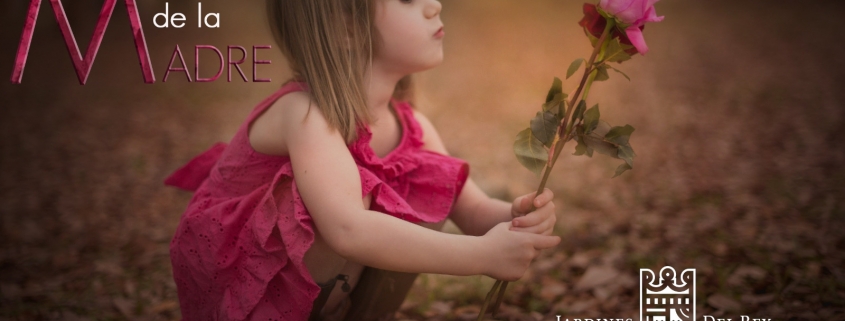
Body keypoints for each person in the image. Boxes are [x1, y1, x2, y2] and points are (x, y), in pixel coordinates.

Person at [163, 0, 561, 320]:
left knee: (428, 182)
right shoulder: (304, 112)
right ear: (346, 28)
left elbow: (470, 207)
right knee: (352, 203)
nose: (435, 6)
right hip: (245, 287)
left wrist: (516, 219)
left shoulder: (412, 125)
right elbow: (347, 229)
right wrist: (481, 257)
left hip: (328, 284)